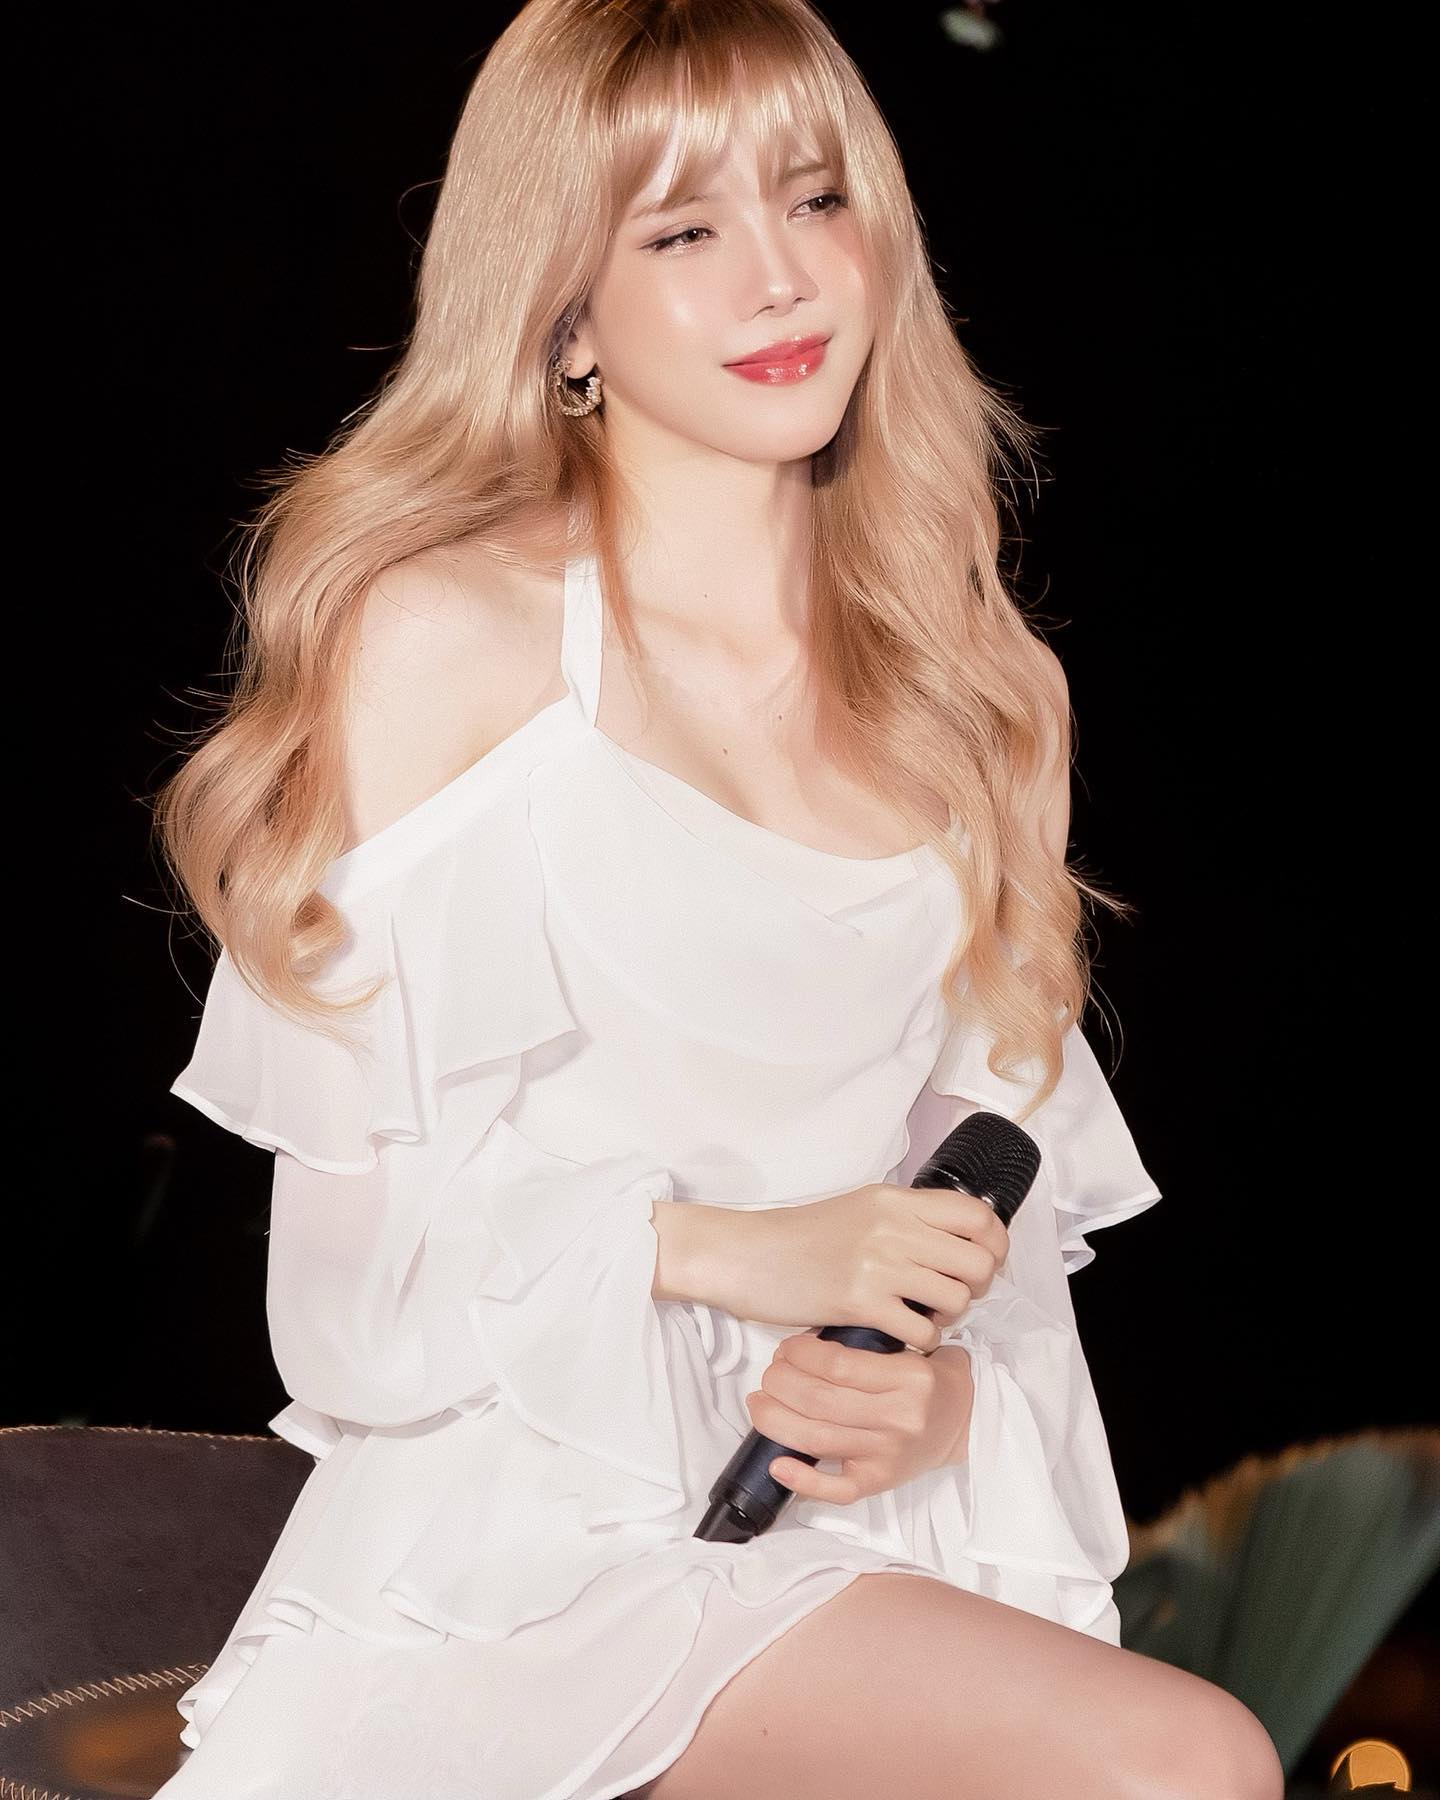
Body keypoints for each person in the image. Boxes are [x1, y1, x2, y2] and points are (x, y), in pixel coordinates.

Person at [151, 2, 1284, 1796]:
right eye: (684, 231)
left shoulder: (987, 700)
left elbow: (990, 1249)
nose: (781, 277)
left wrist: (933, 1401)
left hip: (856, 1552)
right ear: (566, 317)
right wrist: (737, 1252)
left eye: (816, 200)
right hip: (517, 1583)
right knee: (1182, 1762)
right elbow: (349, 1301)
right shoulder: (446, 642)